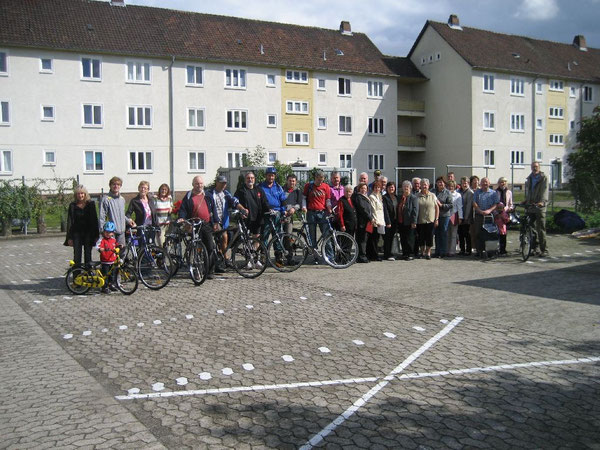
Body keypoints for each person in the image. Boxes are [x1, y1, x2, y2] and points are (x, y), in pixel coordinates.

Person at [178, 175, 219, 279]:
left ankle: (209, 270)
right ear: (193, 184)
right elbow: (183, 209)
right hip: (193, 225)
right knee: (196, 248)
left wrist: (216, 222)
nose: (199, 185)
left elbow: (213, 209)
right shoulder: (188, 196)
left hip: (206, 225)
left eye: (200, 183)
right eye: (197, 183)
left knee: (210, 247)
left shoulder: (208, 195)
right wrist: (182, 218)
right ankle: (196, 269)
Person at [206, 175, 247, 270]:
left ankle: (222, 257)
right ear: (217, 182)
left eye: (225, 184)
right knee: (223, 237)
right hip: (213, 221)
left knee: (228, 237)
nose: (223, 185)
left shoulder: (225, 193)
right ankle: (225, 258)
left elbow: (234, 201)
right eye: (222, 183)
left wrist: (242, 209)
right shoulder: (210, 193)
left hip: (223, 221)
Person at [259, 167, 289, 266]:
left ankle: (278, 258)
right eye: (269, 175)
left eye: (272, 175)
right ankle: (263, 257)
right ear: (266, 176)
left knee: (277, 235)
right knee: (265, 236)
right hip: (266, 214)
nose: (271, 177)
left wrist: (284, 211)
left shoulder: (278, 187)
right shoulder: (260, 187)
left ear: (274, 176)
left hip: (277, 214)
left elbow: (283, 200)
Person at [64, 185, 99, 267]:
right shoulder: (72, 205)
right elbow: (70, 222)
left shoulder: (91, 204)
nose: (80, 195)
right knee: (77, 255)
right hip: (77, 233)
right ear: (76, 195)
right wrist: (69, 238)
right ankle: (77, 276)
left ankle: (87, 275)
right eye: (78, 194)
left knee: (88, 255)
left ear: (85, 194)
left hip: (88, 233)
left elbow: (94, 220)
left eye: (82, 193)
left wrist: (96, 235)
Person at [302, 170, 332, 251]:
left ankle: (329, 256)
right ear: (315, 178)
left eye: (322, 180)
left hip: (322, 213)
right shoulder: (308, 186)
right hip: (311, 213)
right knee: (312, 235)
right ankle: (315, 255)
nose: (320, 182)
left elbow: (327, 200)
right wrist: (304, 207)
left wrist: (329, 208)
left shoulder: (326, 187)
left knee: (326, 235)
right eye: (318, 180)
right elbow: (304, 198)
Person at [523, 161, 549, 256]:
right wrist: (526, 200)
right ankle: (534, 248)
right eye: (533, 166)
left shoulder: (543, 178)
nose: (535, 168)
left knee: (541, 229)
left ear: (539, 167)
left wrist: (542, 201)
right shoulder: (530, 178)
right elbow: (529, 192)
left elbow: (544, 191)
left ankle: (544, 250)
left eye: (536, 166)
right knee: (530, 228)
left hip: (539, 206)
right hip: (531, 206)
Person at [234, 171, 270, 239]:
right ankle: (245, 249)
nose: (250, 179)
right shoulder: (240, 190)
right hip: (246, 218)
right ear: (245, 180)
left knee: (257, 237)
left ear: (254, 179)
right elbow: (235, 202)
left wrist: (269, 209)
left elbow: (265, 202)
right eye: (248, 178)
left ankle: (254, 250)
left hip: (257, 218)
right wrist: (240, 211)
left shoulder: (259, 189)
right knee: (245, 238)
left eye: (252, 178)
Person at [473, 177, 499, 258]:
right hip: (479, 215)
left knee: (490, 234)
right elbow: (474, 203)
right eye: (483, 182)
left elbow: (496, 204)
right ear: (480, 183)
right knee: (478, 234)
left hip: (490, 216)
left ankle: (491, 251)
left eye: (486, 182)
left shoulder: (493, 193)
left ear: (489, 183)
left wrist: (489, 210)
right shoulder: (477, 192)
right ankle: (479, 251)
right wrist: (480, 211)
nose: (485, 184)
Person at [99, 176, 127, 246]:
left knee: (122, 253)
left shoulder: (122, 199)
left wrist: (129, 221)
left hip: (121, 232)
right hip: (111, 232)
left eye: (118, 184)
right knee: (110, 254)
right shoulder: (106, 199)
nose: (116, 186)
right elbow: (102, 216)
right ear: (110, 185)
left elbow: (122, 215)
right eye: (114, 184)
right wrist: (102, 231)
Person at [416, 178, 439, 260]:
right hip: (420, 220)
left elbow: (437, 208)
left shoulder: (433, 195)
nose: (424, 186)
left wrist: (436, 219)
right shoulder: (417, 196)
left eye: (425, 184)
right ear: (420, 186)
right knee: (421, 237)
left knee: (429, 237)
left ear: (428, 186)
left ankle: (428, 252)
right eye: (422, 185)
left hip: (430, 220)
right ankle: (422, 252)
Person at [352, 182, 374, 263]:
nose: (363, 190)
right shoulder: (359, 197)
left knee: (365, 239)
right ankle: (361, 256)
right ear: (359, 189)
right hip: (362, 222)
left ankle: (363, 255)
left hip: (367, 222)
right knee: (362, 240)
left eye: (365, 188)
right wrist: (369, 217)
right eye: (362, 188)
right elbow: (362, 209)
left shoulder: (366, 197)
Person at [397, 180, 418, 260]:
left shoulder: (413, 198)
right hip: (401, 221)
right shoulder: (400, 197)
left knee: (410, 239)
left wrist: (414, 221)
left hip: (409, 222)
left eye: (407, 187)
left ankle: (411, 254)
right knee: (403, 238)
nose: (406, 188)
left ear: (410, 188)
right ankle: (405, 253)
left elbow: (415, 210)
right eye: (404, 186)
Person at [432, 176, 453, 258]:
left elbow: (451, 205)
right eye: (438, 182)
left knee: (443, 233)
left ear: (444, 183)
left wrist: (441, 205)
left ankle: (443, 252)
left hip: (444, 216)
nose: (440, 183)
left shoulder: (448, 193)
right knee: (436, 234)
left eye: (442, 182)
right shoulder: (433, 191)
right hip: (434, 216)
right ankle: (437, 251)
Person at [367, 182, 386, 261]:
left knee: (378, 239)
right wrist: (376, 221)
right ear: (373, 188)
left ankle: (375, 254)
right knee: (374, 239)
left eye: (378, 187)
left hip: (381, 219)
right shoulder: (371, 197)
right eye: (376, 187)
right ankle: (374, 255)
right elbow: (373, 210)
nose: (377, 189)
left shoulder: (379, 196)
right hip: (375, 220)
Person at [97, 221, 117, 294]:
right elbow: (98, 246)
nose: (108, 234)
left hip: (112, 260)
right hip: (105, 260)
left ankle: (111, 285)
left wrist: (119, 246)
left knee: (112, 274)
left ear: (113, 233)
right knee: (105, 274)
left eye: (110, 232)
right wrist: (100, 249)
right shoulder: (102, 240)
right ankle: (104, 287)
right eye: (106, 232)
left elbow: (116, 244)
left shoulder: (113, 239)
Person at [446, 180, 463, 257]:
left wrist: (460, 217)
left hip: (454, 215)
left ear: (455, 187)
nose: (450, 188)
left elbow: (459, 207)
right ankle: (446, 250)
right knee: (447, 234)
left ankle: (452, 251)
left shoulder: (458, 195)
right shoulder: (445, 193)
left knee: (453, 234)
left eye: (452, 186)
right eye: (449, 186)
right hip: (446, 216)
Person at [382, 181, 398, 260]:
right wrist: (388, 222)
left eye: (393, 187)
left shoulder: (396, 197)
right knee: (387, 238)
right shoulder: (385, 198)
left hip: (395, 221)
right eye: (390, 187)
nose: (391, 188)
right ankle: (387, 254)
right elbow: (385, 210)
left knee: (392, 237)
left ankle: (391, 253)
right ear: (386, 188)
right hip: (388, 221)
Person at [458, 177, 474, 256]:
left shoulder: (470, 192)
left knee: (467, 234)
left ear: (468, 183)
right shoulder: (459, 191)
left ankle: (468, 250)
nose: (464, 184)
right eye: (462, 183)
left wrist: (465, 218)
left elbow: (468, 206)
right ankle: (462, 249)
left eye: (465, 183)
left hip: (466, 218)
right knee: (460, 234)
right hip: (460, 217)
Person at [469, 175, 480, 253]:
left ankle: (478, 247)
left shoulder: (480, 190)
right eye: (474, 181)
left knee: (478, 232)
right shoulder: (469, 191)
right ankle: (472, 247)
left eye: (477, 180)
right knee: (471, 231)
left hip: (478, 213)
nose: (476, 182)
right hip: (470, 213)